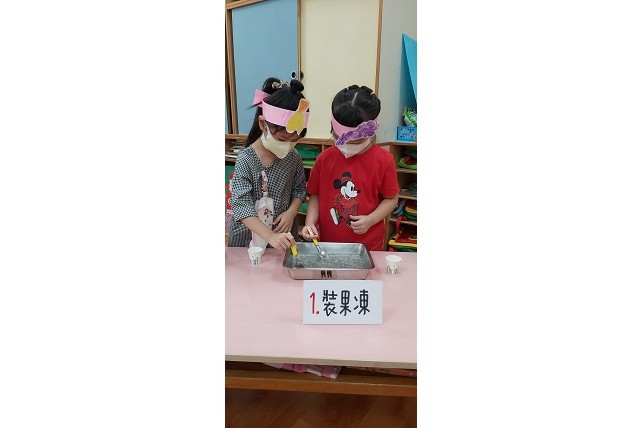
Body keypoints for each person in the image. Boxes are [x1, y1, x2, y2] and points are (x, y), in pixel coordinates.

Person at [301, 85, 399, 251]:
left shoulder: (384, 160)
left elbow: (391, 199)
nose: (347, 146)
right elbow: (315, 195)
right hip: (329, 244)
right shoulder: (324, 159)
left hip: (368, 246)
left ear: (371, 131)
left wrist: (371, 220)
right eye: (340, 139)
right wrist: (310, 222)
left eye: (356, 142)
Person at [227, 77, 310, 251]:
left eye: (294, 140)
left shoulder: (293, 157)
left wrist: (291, 213)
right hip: (248, 239)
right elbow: (241, 205)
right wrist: (270, 236)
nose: (288, 145)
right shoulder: (246, 159)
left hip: (283, 235)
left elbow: (299, 190)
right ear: (263, 124)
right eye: (282, 139)